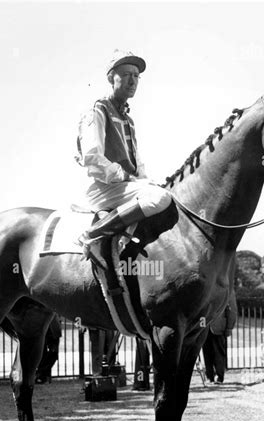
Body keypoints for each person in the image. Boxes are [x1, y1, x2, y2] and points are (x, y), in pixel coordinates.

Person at [76, 49, 172, 268]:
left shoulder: (128, 119)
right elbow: (92, 158)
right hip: (101, 188)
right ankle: (91, 234)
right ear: (111, 78)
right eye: (126, 74)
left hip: (123, 187)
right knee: (161, 198)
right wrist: (128, 177)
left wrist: (144, 180)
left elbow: (138, 165)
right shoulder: (97, 111)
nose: (132, 80)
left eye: (136, 76)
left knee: (163, 191)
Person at [202, 294, 238, 384]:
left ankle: (219, 376)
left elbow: (232, 310)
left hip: (219, 327)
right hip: (204, 328)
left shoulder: (225, 288)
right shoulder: (204, 289)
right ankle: (209, 376)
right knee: (206, 353)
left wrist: (229, 327)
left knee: (219, 353)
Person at [35, 316, 61, 384]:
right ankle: (42, 376)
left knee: (53, 353)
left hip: (53, 329)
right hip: (44, 329)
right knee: (42, 353)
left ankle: (41, 373)